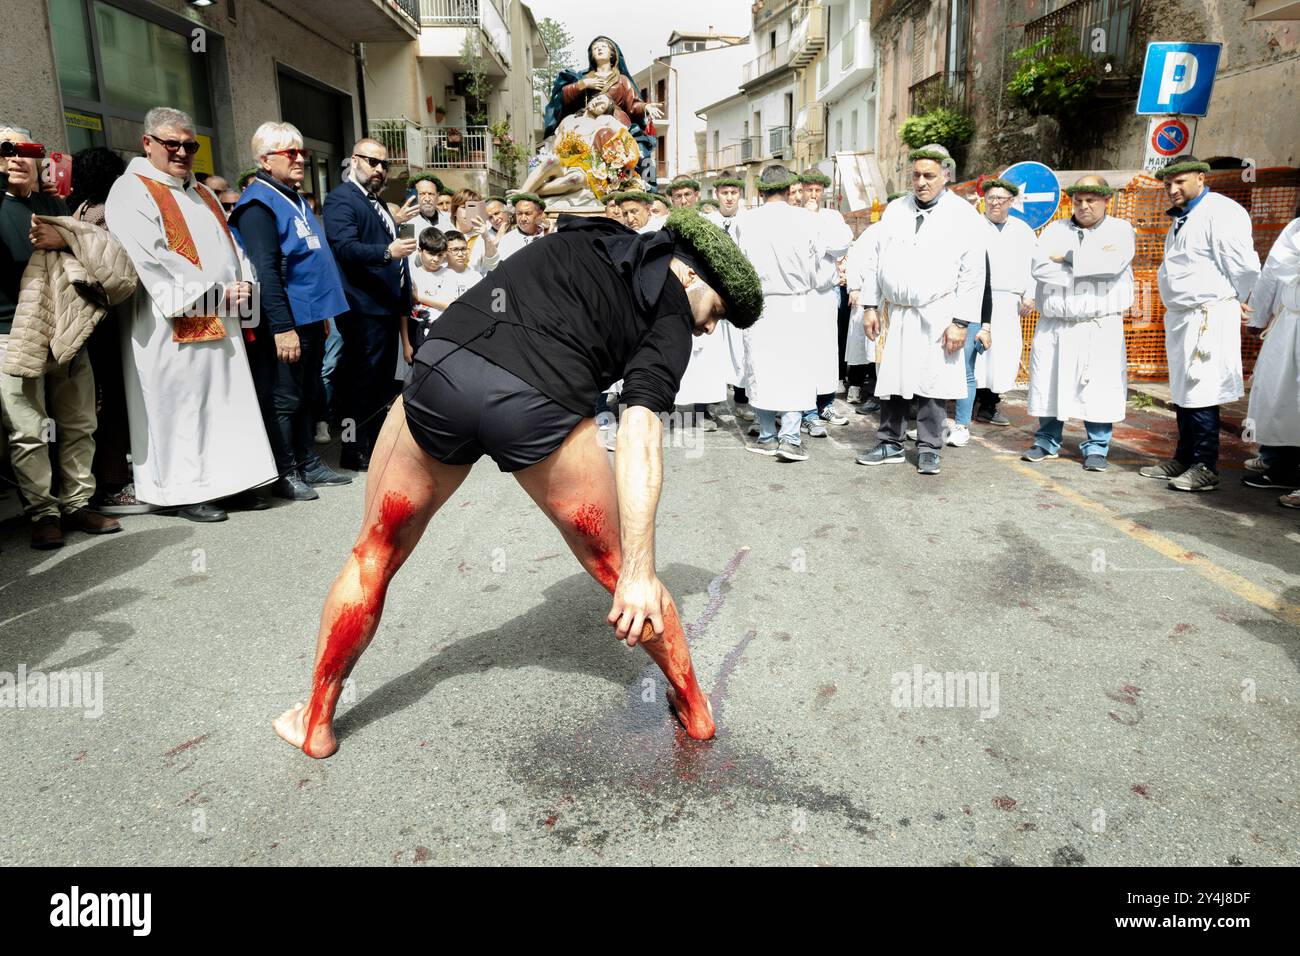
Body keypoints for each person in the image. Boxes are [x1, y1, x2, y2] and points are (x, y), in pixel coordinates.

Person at [272, 208, 762, 758]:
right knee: (618, 567)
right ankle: (695, 707)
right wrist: (642, 571)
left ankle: (315, 720)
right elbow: (641, 432)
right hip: (539, 403)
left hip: (447, 371)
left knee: (374, 552)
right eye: (717, 312)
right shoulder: (671, 321)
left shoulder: (592, 234)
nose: (710, 328)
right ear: (691, 275)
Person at [103, 108, 275, 521]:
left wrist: (246, 285)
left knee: (225, 403)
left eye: (189, 145)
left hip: (225, 315)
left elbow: (232, 248)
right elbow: (152, 262)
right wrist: (216, 296)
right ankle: (183, 490)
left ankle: (230, 482)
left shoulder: (202, 192)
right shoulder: (131, 191)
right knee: (181, 406)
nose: (182, 152)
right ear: (148, 143)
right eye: (171, 144)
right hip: (168, 324)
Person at [0, 125, 131, 548]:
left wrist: (65, 238)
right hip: (9, 333)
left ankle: (77, 504)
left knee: (78, 422)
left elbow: (101, 252)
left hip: (65, 329)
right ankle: (43, 513)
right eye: (6, 150)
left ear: (40, 157)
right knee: (29, 430)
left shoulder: (54, 203)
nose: (16, 157)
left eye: (26, 149)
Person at [230, 121, 353, 503]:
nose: (300, 158)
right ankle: (285, 471)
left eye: (301, 152)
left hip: (311, 316)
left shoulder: (292, 195)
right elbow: (266, 269)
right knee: (282, 397)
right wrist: (282, 327)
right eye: (290, 153)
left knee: (305, 392)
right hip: (285, 320)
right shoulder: (257, 204)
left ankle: (308, 461)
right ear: (266, 160)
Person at [855, 145, 986, 475]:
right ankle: (890, 443)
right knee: (893, 379)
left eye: (929, 175)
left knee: (933, 382)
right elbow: (874, 260)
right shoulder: (895, 210)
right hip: (897, 312)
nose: (921, 182)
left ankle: (929, 447)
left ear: (946, 176)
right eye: (916, 175)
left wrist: (960, 322)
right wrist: (871, 305)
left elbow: (973, 274)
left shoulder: (963, 215)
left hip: (938, 313)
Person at [1140, 158, 1261, 492]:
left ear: (1200, 178)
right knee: (1182, 390)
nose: (1173, 189)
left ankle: (1205, 466)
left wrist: (1235, 299)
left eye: (1180, 182)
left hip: (1208, 315)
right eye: (1167, 184)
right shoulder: (1183, 217)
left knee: (1202, 390)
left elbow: (1245, 267)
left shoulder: (1222, 211)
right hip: (1182, 317)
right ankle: (1183, 457)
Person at [1019, 175, 1135, 471]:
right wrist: (1084, 265)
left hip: (1098, 323)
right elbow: (1040, 266)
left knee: (1098, 386)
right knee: (1048, 381)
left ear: (1106, 200)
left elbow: (1111, 266)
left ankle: (1097, 446)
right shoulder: (1055, 229)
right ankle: (1046, 440)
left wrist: (1067, 259)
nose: (1083, 206)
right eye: (1079, 200)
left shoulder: (1120, 230)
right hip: (1056, 322)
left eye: (1091, 200)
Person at [323, 137, 417, 472]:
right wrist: (385, 253)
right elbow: (344, 248)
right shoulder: (342, 199)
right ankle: (352, 449)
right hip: (361, 308)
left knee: (378, 384)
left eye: (384, 164)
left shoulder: (374, 201)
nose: (379, 169)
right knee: (359, 383)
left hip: (384, 308)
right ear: (354, 160)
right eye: (372, 162)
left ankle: (374, 445)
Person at [736, 164, 835, 462]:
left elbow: (740, 262)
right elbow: (820, 260)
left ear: (761, 190)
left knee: (762, 366)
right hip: (797, 300)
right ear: (789, 189)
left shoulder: (746, 220)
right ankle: (790, 436)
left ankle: (767, 434)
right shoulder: (806, 219)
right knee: (796, 366)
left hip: (761, 300)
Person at [949, 176, 1035, 446]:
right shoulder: (972, 226)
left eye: (1001, 198)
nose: (995, 203)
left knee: (1002, 355)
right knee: (973, 356)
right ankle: (964, 408)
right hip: (976, 299)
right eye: (991, 198)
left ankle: (990, 404)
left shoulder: (1023, 230)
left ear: (1011, 202)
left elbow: (1035, 266)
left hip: (1009, 300)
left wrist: (1030, 295)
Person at [544, 36, 664, 189]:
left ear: (613, 54)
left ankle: (649, 187)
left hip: (618, 123)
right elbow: (561, 98)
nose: (599, 49)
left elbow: (633, 104)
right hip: (588, 121)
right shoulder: (583, 78)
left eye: (603, 47)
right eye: (595, 48)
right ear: (591, 55)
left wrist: (645, 107)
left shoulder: (621, 80)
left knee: (641, 152)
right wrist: (582, 85)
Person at [1242, 215, 1300, 502]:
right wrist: (1259, 314)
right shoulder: (1296, 227)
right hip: (1291, 322)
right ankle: (1280, 462)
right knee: (1279, 396)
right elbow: (1273, 272)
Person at [797, 170, 852, 436]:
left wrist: (819, 240)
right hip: (803, 293)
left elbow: (842, 244)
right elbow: (800, 248)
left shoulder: (833, 216)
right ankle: (807, 410)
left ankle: (826, 404)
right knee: (805, 351)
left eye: (818, 190)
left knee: (828, 350)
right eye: (809, 190)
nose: (813, 195)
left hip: (827, 292)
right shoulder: (794, 216)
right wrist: (821, 240)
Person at [404, 226, 448, 357]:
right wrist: (406, 343)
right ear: (419, 250)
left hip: (441, 335)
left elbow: (450, 304)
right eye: (431, 253)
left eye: (440, 255)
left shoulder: (449, 273)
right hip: (416, 336)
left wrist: (418, 296)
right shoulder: (412, 275)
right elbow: (403, 313)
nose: (435, 259)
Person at [448, 188, 500, 274]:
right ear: (454, 211)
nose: (468, 212)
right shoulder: (444, 234)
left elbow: (493, 266)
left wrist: (486, 238)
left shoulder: (484, 236)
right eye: (464, 207)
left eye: (472, 208)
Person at [495, 192, 551, 260]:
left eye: (528, 213)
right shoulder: (507, 241)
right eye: (519, 214)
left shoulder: (550, 233)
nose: (523, 219)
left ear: (539, 214)